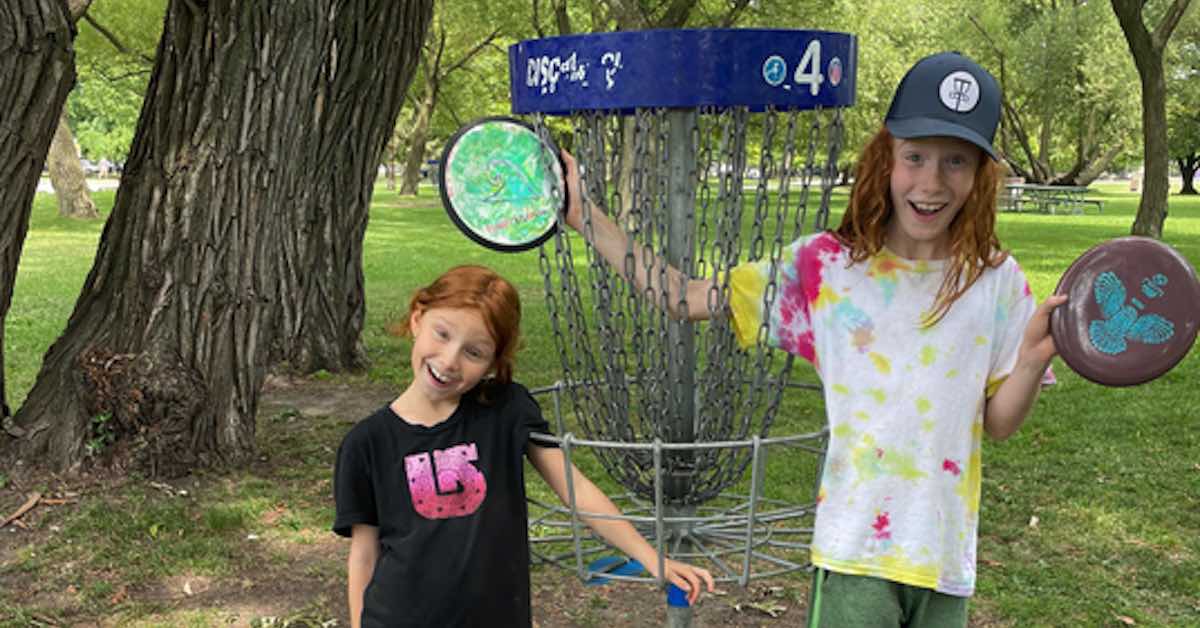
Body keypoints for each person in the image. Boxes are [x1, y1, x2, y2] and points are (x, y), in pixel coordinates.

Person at [561, 52, 1064, 627]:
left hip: (945, 562)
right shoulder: (826, 270)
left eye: (956, 161)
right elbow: (681, 296)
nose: (931, 182)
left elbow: (997, 423)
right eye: (915, 157)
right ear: (885, 160)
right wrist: (584, 216)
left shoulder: (996, 281)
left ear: (979, 174)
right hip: (854, 555)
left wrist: (1029, 361)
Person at [332, 264, 714, 628]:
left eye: (474, 352)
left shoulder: (505, 411)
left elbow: (575, 488)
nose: (449, 361)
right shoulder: (366, 444)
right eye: (442, 333)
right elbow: (364, 556)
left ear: (493, 364)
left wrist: (652, 559)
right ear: (418, 317)